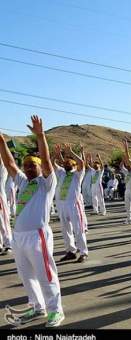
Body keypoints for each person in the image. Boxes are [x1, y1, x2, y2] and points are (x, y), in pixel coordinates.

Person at [0, 115, 65, 327]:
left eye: (32, 165)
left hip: (38, 236)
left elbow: (47, 162)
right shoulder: (22, 182)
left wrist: (40, 136)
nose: (28, 168)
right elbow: (9, 163)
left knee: (45, 274)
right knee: (26, 276)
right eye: (26, 165)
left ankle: (56, 311)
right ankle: (38, 307)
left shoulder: (46, 183)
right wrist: (1, 140)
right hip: (18, 237)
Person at [53, 144, 89, 263]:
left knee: (78, 229)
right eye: (65, 163)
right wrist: (57, 154)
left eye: (70, 163)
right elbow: (51, 163)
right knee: (65, 229)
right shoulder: (62, 173)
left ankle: (83, 252)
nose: (67, 164)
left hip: (74, 205)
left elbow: (81, 163)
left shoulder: (77, 174)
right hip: (62, 205)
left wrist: (71, 152)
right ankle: (70, 251)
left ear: (74, 165)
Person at [0, 155, 12, 255]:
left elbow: (2, 162)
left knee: (3, 222)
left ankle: (9, 244)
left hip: (0, 200)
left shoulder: (2, 173)